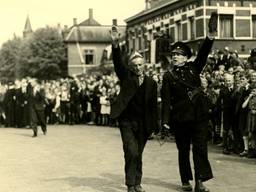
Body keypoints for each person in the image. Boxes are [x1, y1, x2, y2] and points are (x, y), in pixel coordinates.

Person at [161, 12, 217, 192]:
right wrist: (165, 121)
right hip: (180, 119)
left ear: (186, 57)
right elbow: (167, 99)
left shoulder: (194, 68)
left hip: (199, 116)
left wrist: (209, 37)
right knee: (183, 151)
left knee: (200, 149)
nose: (175, 57)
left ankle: (200, 182)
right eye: (174, 54)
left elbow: (203, 54)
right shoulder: (168, 76)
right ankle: (186, 180)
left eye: (179, 54)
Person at [109, 25, 158, 192]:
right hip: (127, 122)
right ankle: (130, 184)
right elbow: (117, 63)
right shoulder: (126, 77)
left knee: (138, 153)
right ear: (131, 67)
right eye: (135, 65)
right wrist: (115, 44)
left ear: (144, 65)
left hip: (143, 123)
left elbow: (153, 107)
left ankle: (137, 183)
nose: (138, 68)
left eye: (140, 65)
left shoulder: (152, 83)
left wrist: (155, 126)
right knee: (131, 151)